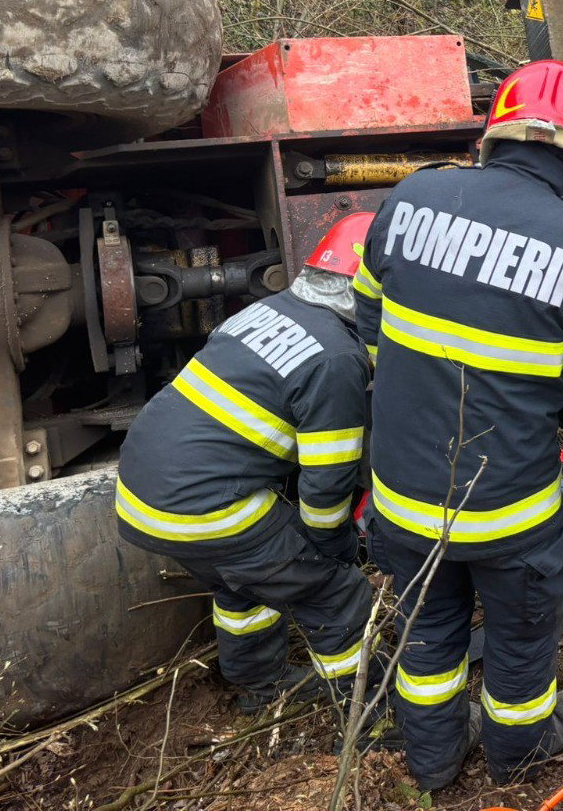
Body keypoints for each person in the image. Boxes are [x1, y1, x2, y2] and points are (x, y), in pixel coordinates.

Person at [352, 59, 563, 792]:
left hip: (403, 502)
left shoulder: (412, 197)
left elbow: (369, 318)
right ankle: (517, 756)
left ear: (493, 133)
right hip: (513, 513)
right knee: (519, 643)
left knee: (426, 639)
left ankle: (434, 766)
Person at [116, 214, 375, 715]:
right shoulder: (336, 358)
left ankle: (260, 688)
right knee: (335, 594)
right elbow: (326, 488)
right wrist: (336, 552)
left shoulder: (266, 310)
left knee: (243, 582)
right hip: (205, 508)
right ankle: (367, 712)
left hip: (140, 496)